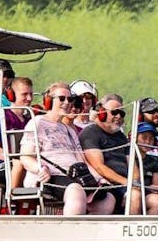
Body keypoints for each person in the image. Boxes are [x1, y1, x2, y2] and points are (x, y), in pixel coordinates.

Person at [20, 82, 115, 215]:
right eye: (62, 98)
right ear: (48, 101)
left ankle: (88, 231)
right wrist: (40, 168)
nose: (67, 102)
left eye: (70, 99)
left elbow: (81, 159)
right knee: (76, 191)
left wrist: (99, 178)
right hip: (49, 176)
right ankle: (71, 232)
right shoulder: (37, 122)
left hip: (74, 176)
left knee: (108, 198)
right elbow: (25, 157)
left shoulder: (68, 129)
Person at [78, 93, 130, 214]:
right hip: (109, 184)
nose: (118, 116)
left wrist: (136, 182)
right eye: (114, 112)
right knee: (135, 195)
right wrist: (127, 183)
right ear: (101, 112)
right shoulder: (90, 133)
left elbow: (133, 163)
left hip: (127, 183)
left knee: (157, 201)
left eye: (121, 113)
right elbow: (99, 167)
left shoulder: (121, 137)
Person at [0, 76, 34, 189]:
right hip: (1, 164)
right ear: (11, 95)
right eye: (24, 94)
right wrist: (17, 158)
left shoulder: (30, 119)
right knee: (20, 163)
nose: (29, 98)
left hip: (24, 162)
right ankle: (12, 199)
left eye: (31, 94)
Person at [133, 122, 158, 214]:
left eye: (151, 139)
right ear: (134, 138)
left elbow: (154, 185)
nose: (148, 142)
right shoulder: (128, 157)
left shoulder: (154, 162)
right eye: (144, 138)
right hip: (131, 192)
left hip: (146, 194)